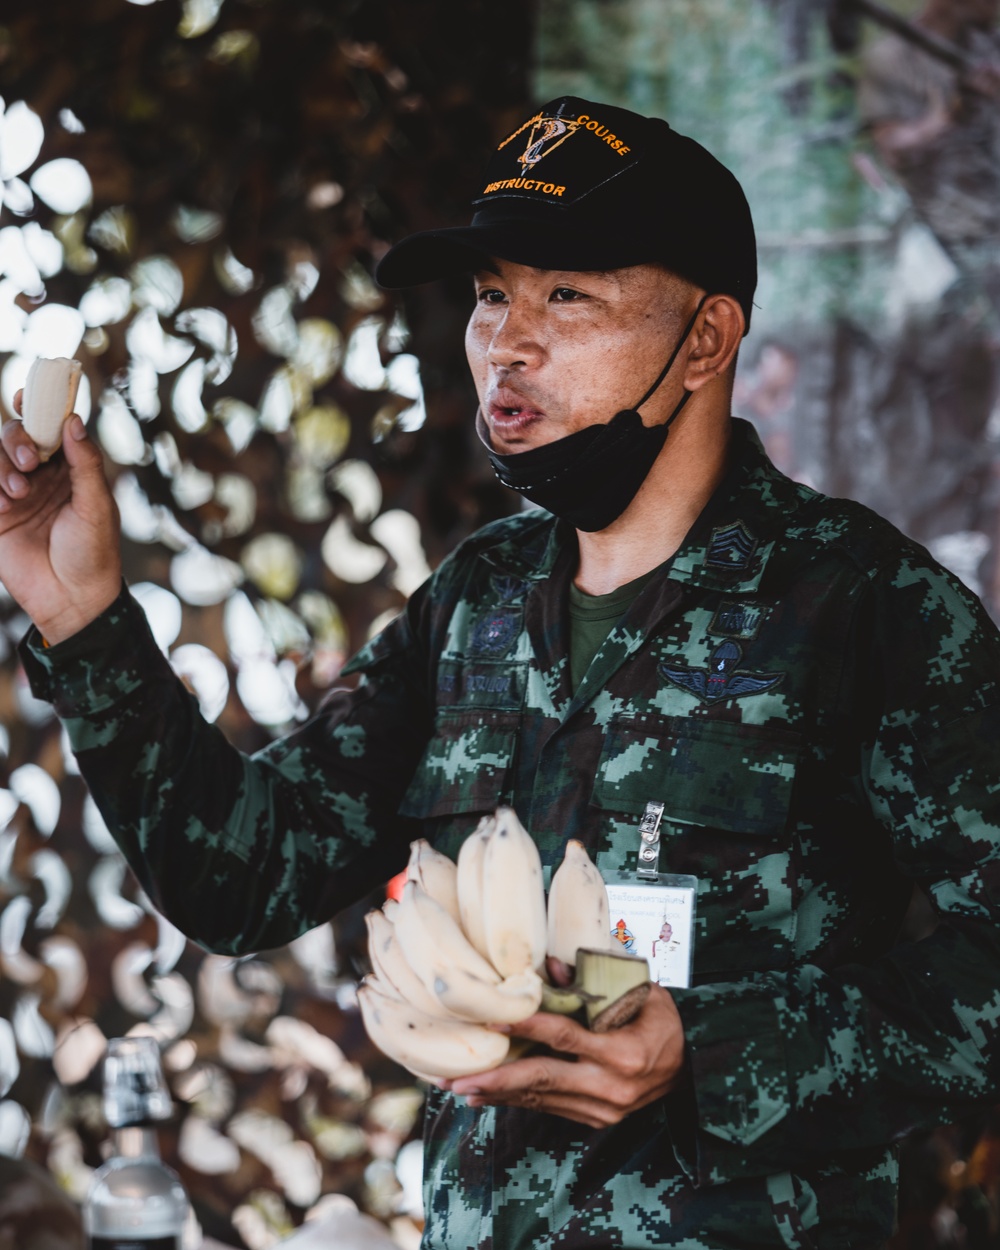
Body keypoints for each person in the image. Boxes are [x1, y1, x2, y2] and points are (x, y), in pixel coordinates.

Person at [2, 95, 1000, 1249]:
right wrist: (84, 621)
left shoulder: (862, 605)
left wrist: (709, 1044)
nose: (508, 342)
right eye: (490, 295)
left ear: (709, 338)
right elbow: (245, 874)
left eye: (567, 293)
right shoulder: (474, 598)